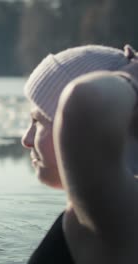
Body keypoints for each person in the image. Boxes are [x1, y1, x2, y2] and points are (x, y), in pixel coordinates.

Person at [22, 44, 138, 263]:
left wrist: (132, 76)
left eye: (38, 121)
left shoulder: (113, 218)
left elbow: (86, 99)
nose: (26, 140)